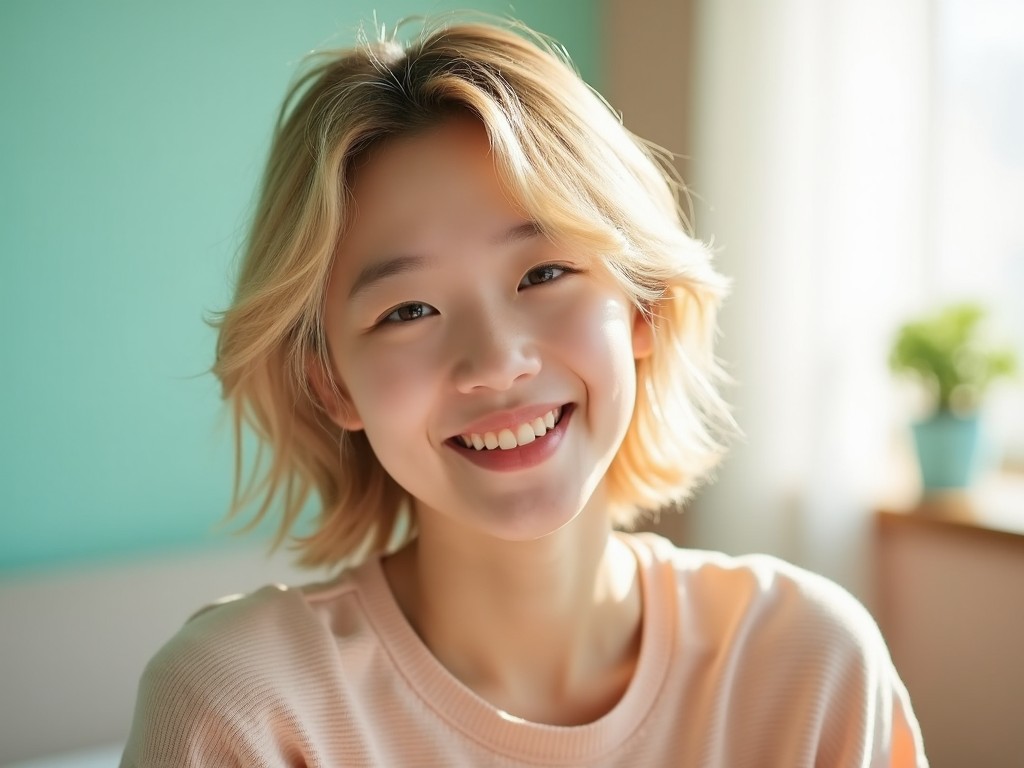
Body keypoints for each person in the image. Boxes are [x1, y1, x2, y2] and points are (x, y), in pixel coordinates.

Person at [121, 17, 927, 767]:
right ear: (331, 384)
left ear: (643, 306)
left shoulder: (809, 663)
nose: (496, 361)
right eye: (408, 311)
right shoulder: (240, 707)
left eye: (545, 273)